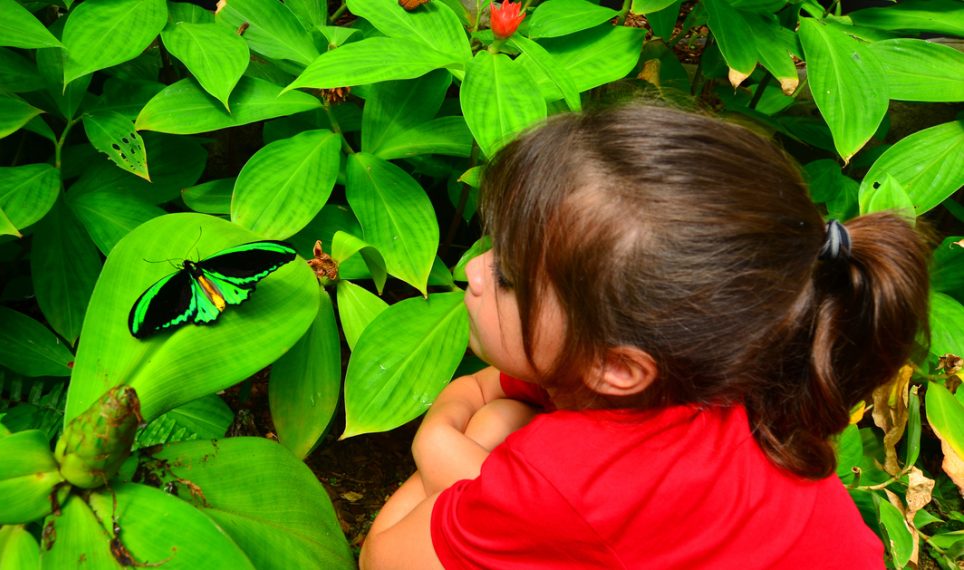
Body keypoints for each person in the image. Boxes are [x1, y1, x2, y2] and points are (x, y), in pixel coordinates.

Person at [359, 103, 930, 569]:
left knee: (494, 429)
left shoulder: (572, 475)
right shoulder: (726, 364)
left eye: (507, 276)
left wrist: (433, 441)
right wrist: (480, 462)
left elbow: (382, 557)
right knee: (498, 420)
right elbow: (488, 394)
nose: (473, 271)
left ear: (620, 368)